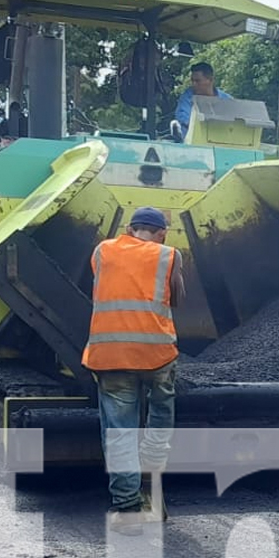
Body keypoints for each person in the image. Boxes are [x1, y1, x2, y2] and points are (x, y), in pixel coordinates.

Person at [82, 206, 186, 535]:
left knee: (120, 432)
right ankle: (153, 494)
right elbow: (177, 299)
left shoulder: (102, 251)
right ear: (162, 233)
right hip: (158, 355)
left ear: (129, 228)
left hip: (111, 355)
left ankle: (127, 509)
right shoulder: (170, 255)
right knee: (158, 426)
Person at [172, 62, 232, 142]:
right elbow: (184, 119)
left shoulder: (227, 100)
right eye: (192, 80)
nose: (193, 84)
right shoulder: (186, 97)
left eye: (197, 81)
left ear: (210, 80)